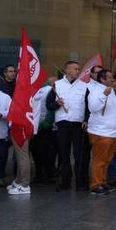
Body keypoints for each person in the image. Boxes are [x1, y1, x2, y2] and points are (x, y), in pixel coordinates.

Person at [46, 61, 89, 192]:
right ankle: (65, 182)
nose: (78, 71)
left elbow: (88, 106)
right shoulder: (56, 86)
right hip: (63, 125)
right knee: (64, 155)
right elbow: (49, 106)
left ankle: (80, 183)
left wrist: (87, 119)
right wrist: (57, 104)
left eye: (78, 69)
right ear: (67, 70)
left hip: (78, 125)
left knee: (79, 155)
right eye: (75, 69)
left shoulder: (84, 86)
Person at [86, 70, 116, 195]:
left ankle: (102, 182)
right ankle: (96, 184)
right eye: (110, 78)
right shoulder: (96, 91)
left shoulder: (111, 91)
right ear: (102, 79)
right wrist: (104, 95)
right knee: (99, 160)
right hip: (101, 132)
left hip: (111, 132)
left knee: (106, 160)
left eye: (112, 77)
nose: (112, 79)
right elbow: (93, 108)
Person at [31, 76, 56, 186]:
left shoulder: (49, 90)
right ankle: (40, 175)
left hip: (44, 127)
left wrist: (47, 123)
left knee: (45, 153)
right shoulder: (31, 90)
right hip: (34, 127)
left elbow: (50, 109)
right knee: (37, 153)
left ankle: (47, 176)